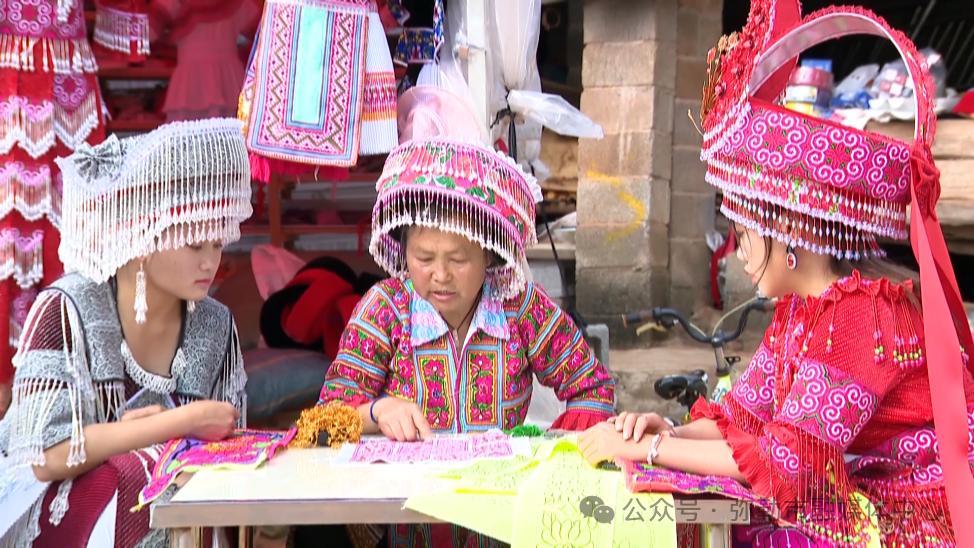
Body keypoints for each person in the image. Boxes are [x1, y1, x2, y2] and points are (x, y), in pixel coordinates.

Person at [579, 2, 974, 546]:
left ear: (786, 225)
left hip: (915, 522)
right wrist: (665, 428)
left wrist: (645, 451)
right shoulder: (808, 311)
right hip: (866, 502)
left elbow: (792, 465)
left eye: (743, 232)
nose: (738, 250)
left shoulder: (863, 316)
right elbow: (745, 419)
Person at [317, 84, 615, 546]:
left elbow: (593, 390)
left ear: (489, 255)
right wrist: (378, 409)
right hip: (404, 530)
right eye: (423, 257)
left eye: (458, 259)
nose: (439, 275)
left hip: (501, 528)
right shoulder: (385, 309)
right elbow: (324, 419)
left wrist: (544, 455)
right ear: (403, 250)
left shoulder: (519, 306)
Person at [0, 118, 253, 546]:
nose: (211, 262)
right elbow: (47, 455)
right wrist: (178, 422)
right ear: (143, 235)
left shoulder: (214, 324)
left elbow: (222, 449)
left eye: (218, 243)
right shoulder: (67, 307)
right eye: (195, 244)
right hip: (53, 511)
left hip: (164, 514)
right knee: (136, 474)